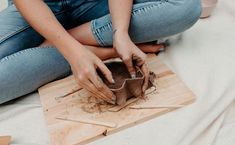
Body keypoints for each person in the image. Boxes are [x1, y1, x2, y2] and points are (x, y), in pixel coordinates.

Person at [0, 0, 201, 104]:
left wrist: (120, 31)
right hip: (37, 8)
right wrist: (73, 52)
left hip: (98, 4)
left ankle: (73, 38)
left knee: (185, 7)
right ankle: (92, 49)